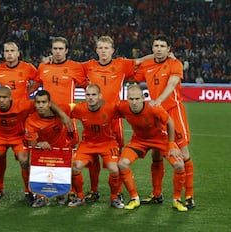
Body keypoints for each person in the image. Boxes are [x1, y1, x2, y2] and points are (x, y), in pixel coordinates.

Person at [81, 35, 154, 203]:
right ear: (96, 50)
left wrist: (165, 56)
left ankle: (118, 192)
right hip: (93, 118)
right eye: (100, 48)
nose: (103, 51)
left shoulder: (121, 64)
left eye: (107, 48)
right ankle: (94, 190)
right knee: (92, 157)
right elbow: (68, 66)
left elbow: (141, 60)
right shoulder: (88, 66)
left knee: (117, 158)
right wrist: (49, 59)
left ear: (112, 50)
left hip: (114, 119)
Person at [134, 34, 195, 209]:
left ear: (169, 49)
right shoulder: (148, 64)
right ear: (152, 49)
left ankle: (189, 195)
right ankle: (156, 194)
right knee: (156, 153)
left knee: (183, 154)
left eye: (162, 46)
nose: (159, 49)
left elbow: (172, 84)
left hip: (173, 112)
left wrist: (159, 100)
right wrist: (142, 58)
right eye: (156, 46)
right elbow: (133, 66)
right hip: (157, 114)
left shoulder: (175, 64)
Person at [117, 85, 187, 211]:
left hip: (161, 139)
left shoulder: (154, 108)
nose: (134, 102)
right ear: (126, 98)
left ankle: (177, 199)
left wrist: (171, 144)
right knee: (122, 164)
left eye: (137, 98)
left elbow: (170, 122)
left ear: (143, 98)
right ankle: (134, 198)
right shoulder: (122, 107)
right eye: (131, 99)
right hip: (139, 141)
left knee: (179, 165)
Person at [37, 36, 87, 203]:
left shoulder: (75, 67)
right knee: (47, 157)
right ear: (51, 50)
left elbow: (89, 86)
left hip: (67, 119)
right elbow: (35, 85)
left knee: (69, 159)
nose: (57, 52)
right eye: (55, 48)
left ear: (66, 51)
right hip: (47, 121)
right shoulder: (43, 67)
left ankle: (71, 191)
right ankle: (50, 191)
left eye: (61, 49)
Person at [0, 41, 40, 197]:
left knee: (24, 159)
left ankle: (28, 191)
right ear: (4, 54)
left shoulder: (28, 68)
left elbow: (40, 78)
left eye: (12, 51)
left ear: (18, 53)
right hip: (3, 120)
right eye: (7, 51)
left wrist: (30, 91)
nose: (10, 54)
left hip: (23, 120)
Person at [68, 84, 122, 208]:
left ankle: (115, 197)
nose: (90, 97)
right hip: (88, 144)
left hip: (108, 143)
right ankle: (80, 196)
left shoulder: (111, 107)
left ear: (100, 96)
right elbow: (61, 109)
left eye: (93, 95)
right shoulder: (79, 108)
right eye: (88, 95)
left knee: (114, 169)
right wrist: (65, 118)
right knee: (75, 167)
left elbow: (129, 113)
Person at [24, 90, 77, 207]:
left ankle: (71, 193)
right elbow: (32, 142)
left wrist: (64, 115)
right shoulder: (31, 120)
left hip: (63, 148)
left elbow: (79, 109)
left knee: (75, 166)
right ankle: (40, 195)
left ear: (49, 103)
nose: (41, 105)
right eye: (38, 102)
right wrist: (38, 144)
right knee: (29, 161)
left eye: (44, 102)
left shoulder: (62, 109)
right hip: (46, 150)